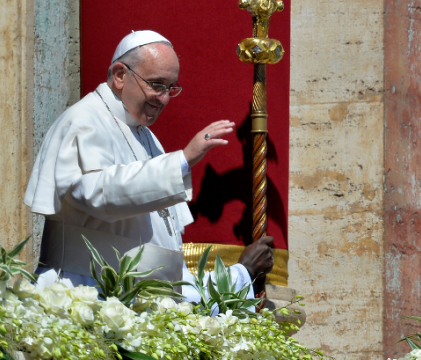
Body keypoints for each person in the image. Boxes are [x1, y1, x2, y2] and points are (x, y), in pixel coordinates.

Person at [24, 30, 273, 301]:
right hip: (83, 297)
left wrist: (239, 277)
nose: (164, 98)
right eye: (156, 85)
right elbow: (95, 193)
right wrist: (182, 160)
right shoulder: (83, 121)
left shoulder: (143, 134)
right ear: (120, 75)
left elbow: (160, 263)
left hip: (134, 303)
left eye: (171, 88)